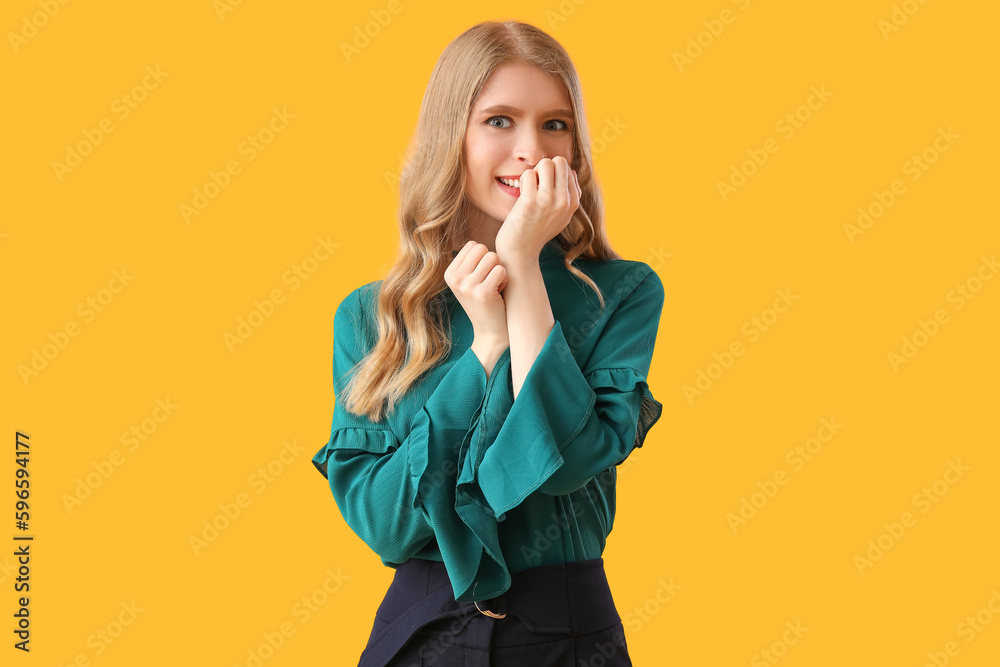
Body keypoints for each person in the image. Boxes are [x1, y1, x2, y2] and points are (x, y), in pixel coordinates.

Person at [311, 19, 665, 666]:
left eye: (555, 124)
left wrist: (523, 266)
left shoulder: (622, 292)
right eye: (500, 120)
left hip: (568, 637)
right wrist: (484, 351)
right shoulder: (373, 315)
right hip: (420, 639)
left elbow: (567, 463)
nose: (531, 149)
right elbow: (387, 525)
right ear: (453, 138)